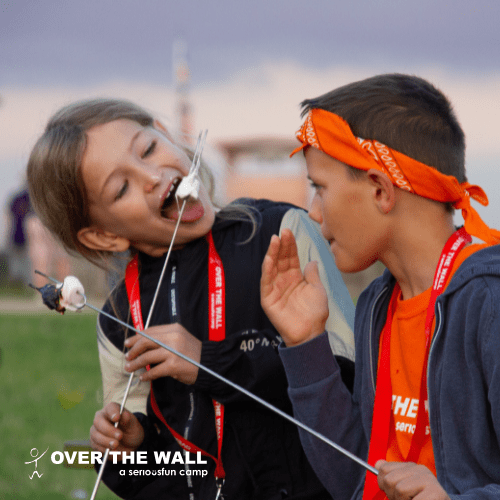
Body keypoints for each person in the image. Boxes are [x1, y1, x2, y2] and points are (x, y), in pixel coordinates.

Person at [26, 98, 356, 500]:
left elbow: (350, 375)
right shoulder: (118, 318)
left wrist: (209, 362)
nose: (150, 175)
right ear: (104, 236)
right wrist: (130, 447)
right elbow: (154, 472)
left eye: (148, 149)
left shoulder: (282, 233)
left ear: (166, 133)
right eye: (122, 187)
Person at [260, 73, 500, 500]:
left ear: (379, 190)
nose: (313, 212)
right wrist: (306, 344)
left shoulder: (489, 302)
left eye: (320, 187)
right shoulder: (377, 305)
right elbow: (356, 479)